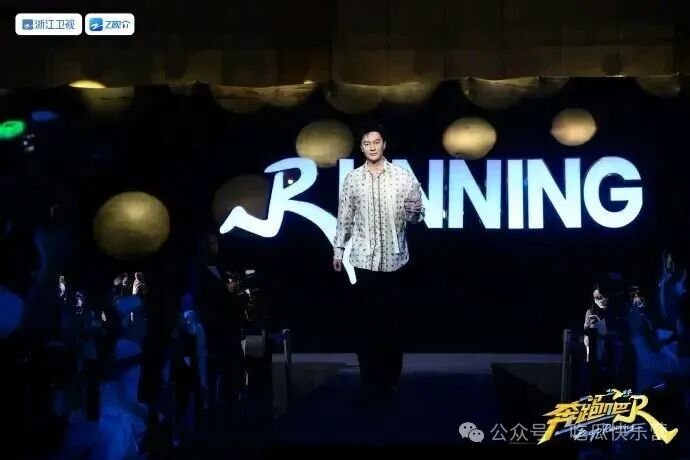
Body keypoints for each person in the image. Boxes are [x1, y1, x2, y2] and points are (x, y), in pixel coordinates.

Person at [333, 124, 424, 401]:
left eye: (376, 142)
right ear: (361, 148)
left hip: (395, 261)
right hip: (364, 261)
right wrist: (338, 249)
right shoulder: (352, 179)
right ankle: (369, 379)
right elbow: (345, 216)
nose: (372, 147)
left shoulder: (402, 177)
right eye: (367, 143)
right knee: (366, 325)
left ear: (384, 144)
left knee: (392, 324)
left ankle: (390, 378)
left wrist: (414, 211)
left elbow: (416, 216)